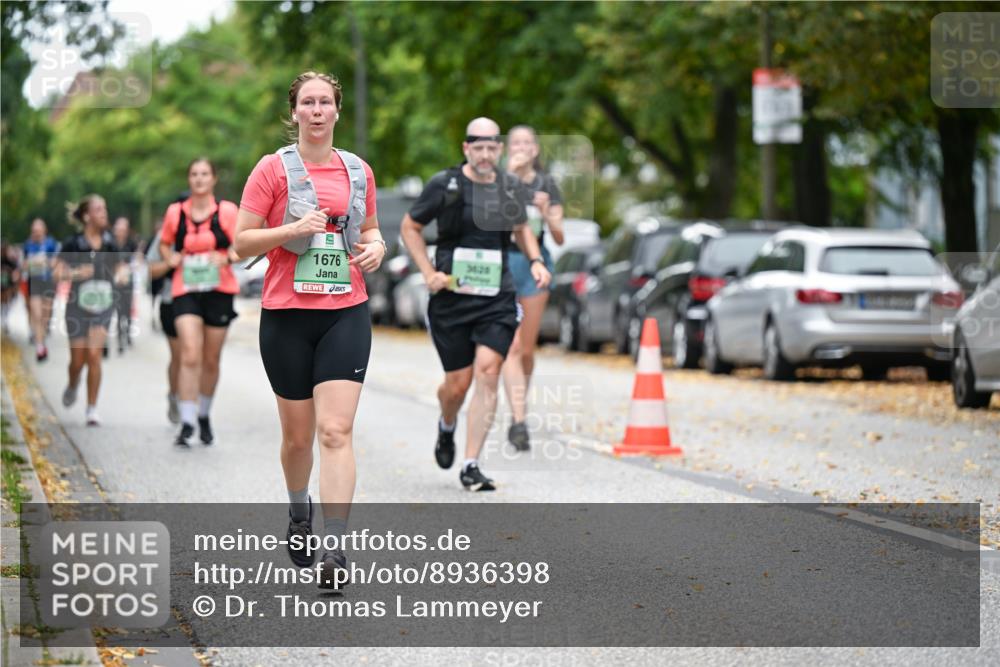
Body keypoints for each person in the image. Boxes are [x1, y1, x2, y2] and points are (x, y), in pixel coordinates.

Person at [234, 71, 384, 586]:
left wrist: (378, 247)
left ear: (337, 112)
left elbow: (370, 230)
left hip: (345, 311)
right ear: (294, 111)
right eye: (308, 102)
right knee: (298, 440)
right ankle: (300, 512)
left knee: (335, 431)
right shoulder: (271, 170)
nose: (317, 110)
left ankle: (336, 552)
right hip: (287, 316)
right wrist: (293, 229)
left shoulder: (358, 171)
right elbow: (242, 242)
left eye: (326, 102)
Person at [399, 117, 551, 492]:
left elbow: (521, 229)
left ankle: (471, 463)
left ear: (499, 150)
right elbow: (409, 227)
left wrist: (535, 260)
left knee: (488, 371)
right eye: (477, 147)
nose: (485, 154)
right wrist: (427, 270)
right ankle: (446, 424)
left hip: (496, 297)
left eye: (491, 147)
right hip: (451, 297)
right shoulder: (445, 184)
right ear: (467, 149)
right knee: (456, 385)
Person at [159, 159, 240, 447]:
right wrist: (169, 258)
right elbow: (165, 243)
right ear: (189, 179)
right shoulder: (175, 212)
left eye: (205, 174)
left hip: (220, 289)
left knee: (210, 359)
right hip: (186, 289)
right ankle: (187, 421)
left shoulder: (228, 212)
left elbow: (242, 243)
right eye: (194, 174)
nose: (199, 179)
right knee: (190, 354)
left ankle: (204, 414)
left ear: (214, 179)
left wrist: (228, 256)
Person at [500, 125, 565, 451]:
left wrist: (545, 213)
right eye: (516, 143)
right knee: (509, 347)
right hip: (502, 264)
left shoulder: (547, 184)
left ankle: (518, 408)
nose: (522, 147)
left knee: (525, 350)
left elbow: (559, 236)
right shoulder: (496, 181)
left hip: (534, 266)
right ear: (508, 149)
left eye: (528, 142)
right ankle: (519, 419)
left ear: (536, 149)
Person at [55, 195, 122, 426]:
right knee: (78, 361)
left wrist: (122, 275)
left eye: (105, 208)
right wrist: (75, 274)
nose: (104, 212)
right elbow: (57, 273)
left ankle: (91, 409)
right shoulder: (72, 243)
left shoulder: (110, 242)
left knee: (94, 355)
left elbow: (121, 268)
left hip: (103, 305)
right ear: (86, 216)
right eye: (98, 209)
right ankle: (73, 383)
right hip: (77, 306)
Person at [145, 219, 181, 424]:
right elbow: (150, 269)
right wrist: (171, 262)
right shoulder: (167, 233)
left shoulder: (213, 226)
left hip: (204, 302)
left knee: (195, 357)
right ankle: (175, 397)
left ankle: (192, 407)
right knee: (180, 356)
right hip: (171, 301)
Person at [23, 219, 60, 360]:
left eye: (38, 231)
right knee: (36, 314)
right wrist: (32, 262)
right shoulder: (28, 245)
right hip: (35, 282)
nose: (36, 233)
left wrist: (45, 261)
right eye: (34, 231)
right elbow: (24, 264)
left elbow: (56, 262)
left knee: (45, 314)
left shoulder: (51, 243)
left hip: (48, 282)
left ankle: (42, 338)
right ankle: (40, 347)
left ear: (44, 231)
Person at [112, 216, 139, 354]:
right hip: (115, 281)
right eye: (119, 228)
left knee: (127, 308)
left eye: (124, 228)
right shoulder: (110, 244)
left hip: (128, 280)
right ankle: (119, 336)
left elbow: (137, 259)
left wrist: (129, 267)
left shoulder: (131, 244)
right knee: (117, 308)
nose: (121, 231)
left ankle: (127, 332)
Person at [0, 241, 20, 336]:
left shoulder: (10, 262)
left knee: (6, 302)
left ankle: (4, 320)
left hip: (7, 286)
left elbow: (16, 272)